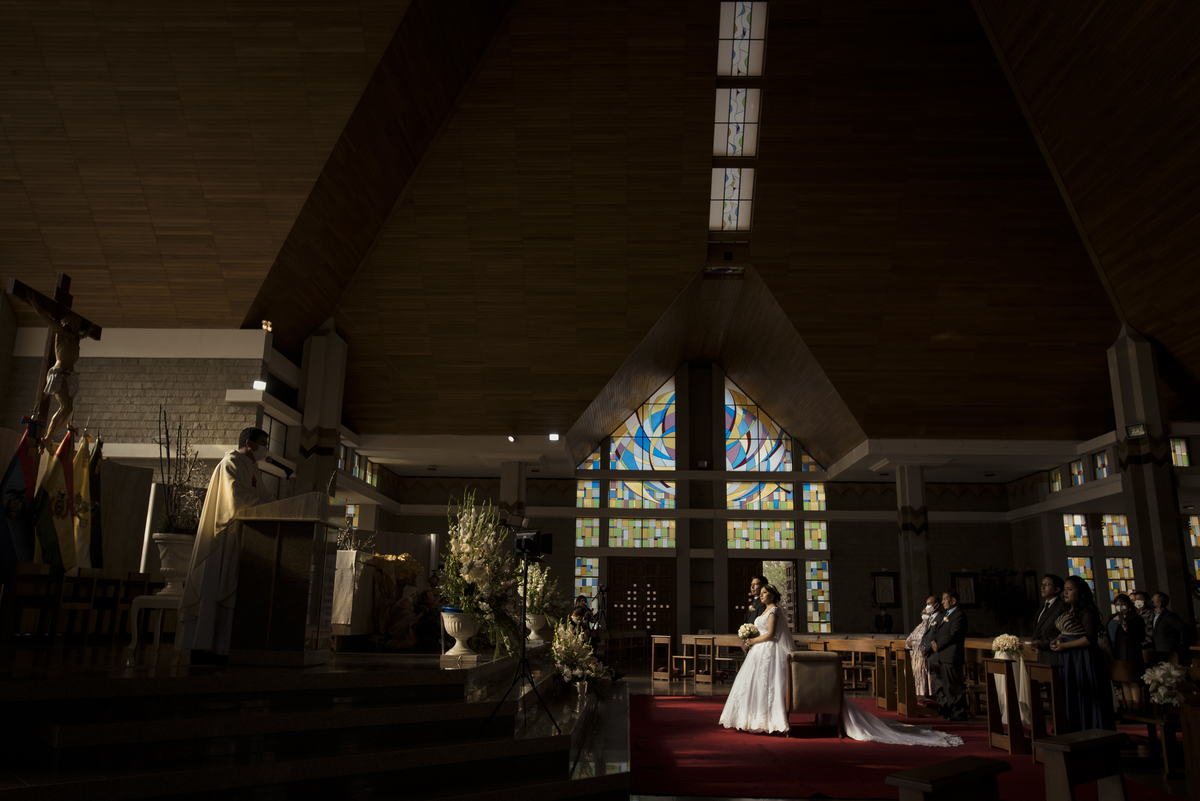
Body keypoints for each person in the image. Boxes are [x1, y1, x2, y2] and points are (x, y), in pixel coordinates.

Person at [720, 585, 962, 747]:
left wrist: (752, 639)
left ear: (772, 595)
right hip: (760, 653)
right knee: (760, 686)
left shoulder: (775, 611)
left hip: (768, 650)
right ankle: (755, 717)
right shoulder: (763, 609)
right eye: (760, 593)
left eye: (764, 592)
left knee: (774, 684)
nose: (761, 595)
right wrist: (749, 639)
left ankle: (772, 719)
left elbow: (772, 634)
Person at [179, 427, 275, 663]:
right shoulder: (230, 463)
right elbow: (236, 498)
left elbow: (265, 497)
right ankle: (206, 646)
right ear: (249, 443)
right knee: (218, 586)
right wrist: (266, 506)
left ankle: (225, 647)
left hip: (242, 537)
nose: (265, 449)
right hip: (223, 537)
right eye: (262, 443)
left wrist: (283, 505)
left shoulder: (252, 467)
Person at [1050, 576, 1115, 731]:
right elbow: (1068, 631)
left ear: (1080, 592)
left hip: (1083, 658)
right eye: (1064, 589)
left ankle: (1090, 728)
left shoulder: (1087, 611)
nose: (1065, 593)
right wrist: (1058, 639)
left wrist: (1066, 646)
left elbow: (1090, 638)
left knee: (1085, 694)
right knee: (1071, 693)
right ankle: (1072, 727)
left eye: (1070, 589)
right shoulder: (1066, 609)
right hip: (1068, 657)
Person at [927, 589, 969, 722]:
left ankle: (960, 712)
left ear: (954, 601)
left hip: (952, 655)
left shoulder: (959, 615)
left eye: (945, 599)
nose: (943, 601)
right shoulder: (946, 615)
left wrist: (938, 644)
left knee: (955, 685)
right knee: (946, 685)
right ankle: (951, 710)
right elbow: (936, 630)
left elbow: (953, 634)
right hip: (943, 655)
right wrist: (933, 641)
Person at [1109, 592, 1146, 710]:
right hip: (1118, 652)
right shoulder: (1114, 617)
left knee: (1133, 681)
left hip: (1131, 653)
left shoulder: (1135, 618)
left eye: (1122, 604)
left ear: (1128, 605)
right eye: (1117, 604)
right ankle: (1128, 709)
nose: (1120, 606)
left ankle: (1135, 710)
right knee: (1124, 682)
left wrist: (1127, 629)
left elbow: (1141, 637)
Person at [904, 596, 938, 697]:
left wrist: (914, 643)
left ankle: (928, 695)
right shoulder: (919, 626)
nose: (924, 615)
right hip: (915, 658)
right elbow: (908, 640)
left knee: (926, 677)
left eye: (926, 613)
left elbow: (925, 640)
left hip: (924, 658)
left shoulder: (931, 625)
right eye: (923, 613)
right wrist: (911, 643)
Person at [1149, 592, 1194, 666]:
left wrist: (1184, 648)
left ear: (1159, 604)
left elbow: (1186, 629)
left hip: (1170, 653)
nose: (1151, 601)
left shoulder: (1168, 616)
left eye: (1153, 600)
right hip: (1159, 652)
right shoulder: (1154, 614)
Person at [1032, 574, 1066, 665]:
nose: (1042, 588)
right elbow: (1038, 629)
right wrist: (1033, 643)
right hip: (1041, 655)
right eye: (1041, 585)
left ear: (1057, 589)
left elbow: (1064, 633)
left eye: (1046, 584)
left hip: (1054, 656)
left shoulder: (1062, 606)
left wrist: (1043, 643)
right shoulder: (1042, 607)